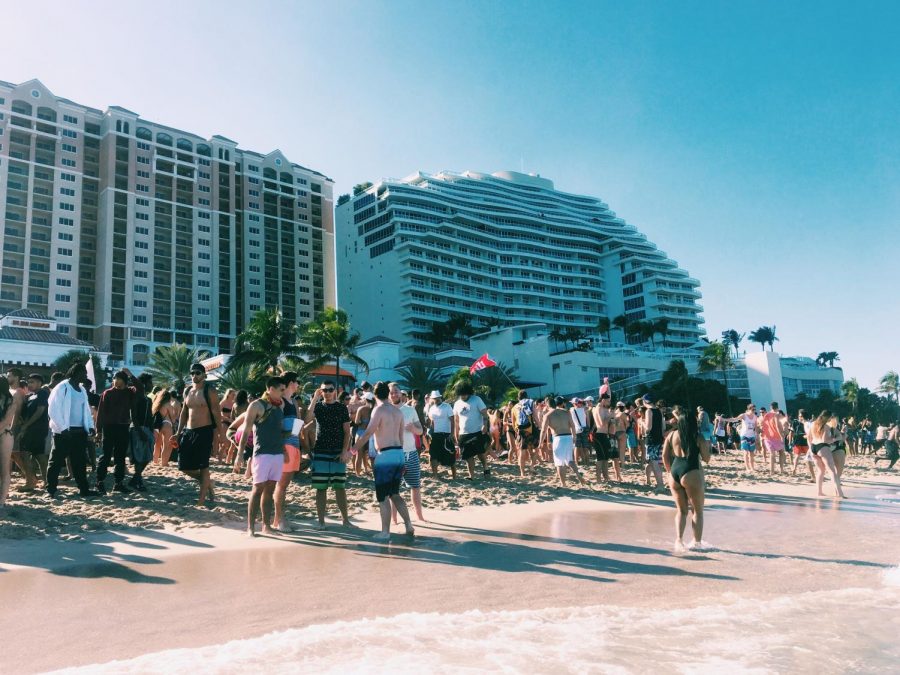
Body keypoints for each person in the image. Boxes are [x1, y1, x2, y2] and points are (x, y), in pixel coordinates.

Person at [351, 381, 414, 541]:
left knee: (383, 496)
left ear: (375, 395)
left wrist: (352, 450)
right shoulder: (398, 412)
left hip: (385, 456)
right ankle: (408, 524)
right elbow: (401, 438)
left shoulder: (378, 410)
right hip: (399, 453)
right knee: (395, 493)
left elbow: (367, 434)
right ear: (387, 394)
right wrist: (403, 460)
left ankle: (385, 532)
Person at [236, 377, 288, 537]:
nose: (283, 393)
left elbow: (279, 432)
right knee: (257, 489)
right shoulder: (256, 405)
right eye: (281, 389)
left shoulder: (281, 406)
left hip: (277, 453)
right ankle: (250, 528)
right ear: (271, 389)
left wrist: (290, 439)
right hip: (262, 454)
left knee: (270, 490)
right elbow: (246, 431)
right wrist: (239, 454)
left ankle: (266, 526)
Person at [45, 363, 99, 499]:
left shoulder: (81, 390)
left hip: (79, 432)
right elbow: (53, 409)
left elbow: (86, 411)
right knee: (55, 462)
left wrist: (90, 426)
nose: (86, 375)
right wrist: (62, 428)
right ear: (75, 373)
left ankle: (84, 490)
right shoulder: (62, 387)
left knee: (79, 463)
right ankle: (50, 490)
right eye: (83, 373)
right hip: (63, 432)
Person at [662, 405, 712, 552]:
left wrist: (669, 471)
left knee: (681, 511)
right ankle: (697, 544)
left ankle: (679, 541)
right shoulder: (698, 437)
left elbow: (665, 456)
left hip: (675, 473)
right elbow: (706, 458)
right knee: (697, 511)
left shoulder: (671, 435)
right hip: (691, 471)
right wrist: (706, 446)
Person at [304, 379, 351, 528]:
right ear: (321, 391)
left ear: (335, 391)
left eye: (330, 390)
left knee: (340, 487)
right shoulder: (317, 407)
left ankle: (345, 520)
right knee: (321, 488)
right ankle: (321, 521)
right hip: (321, 451)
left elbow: (347, 432)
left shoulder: (342, 408)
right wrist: (314, 400)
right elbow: (307, 420)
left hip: (338, 452)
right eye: (325, 390)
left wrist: (345, 451)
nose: (328, 393)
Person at [176, 363, 222, 506]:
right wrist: (178, 433)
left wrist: (219, 436)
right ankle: (208, 482)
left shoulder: (210, 391)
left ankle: (201, 501)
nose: (194, 376)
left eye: (197, 373)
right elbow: (184, 412)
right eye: (192, 373)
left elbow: (217, 414)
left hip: (205, 430)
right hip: (189, 431)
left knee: (204, 467)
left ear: (204, 375)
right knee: (183, 466)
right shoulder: (187, 390)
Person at [95, 369, 144, 493]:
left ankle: (118, 483)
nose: (116, 381)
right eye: (114, 379)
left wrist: (130, 374)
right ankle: (99, 482)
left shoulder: (130, 392)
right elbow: (100, 413)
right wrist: (98, 430)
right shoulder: (107, 393)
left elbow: (140, 387)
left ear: (125, 381)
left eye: (119, 379)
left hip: (123, 427)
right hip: (109, 427)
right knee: (105, 456)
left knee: (120, 457)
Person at [391, 382, 425, 521]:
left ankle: (420, 517)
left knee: (415, 486)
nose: (394, 394)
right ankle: (394, 520)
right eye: (391, 392)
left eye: (396, 391)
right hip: (393, 455)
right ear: (388, 395)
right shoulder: (385, 410)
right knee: (393, 490)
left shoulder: (410, 410)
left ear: (401, 393)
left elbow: (421, 430)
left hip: (411, 453)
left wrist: (413, 429)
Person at [273, 371, 301, 532]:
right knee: (281, 486)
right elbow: (277, 426)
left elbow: (297, 426)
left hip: (294, 445)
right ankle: (280, 519)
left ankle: (279, 518)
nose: (298, 385)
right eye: (297, 382)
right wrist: (283, 448)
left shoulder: (293, 402)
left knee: (284, 485)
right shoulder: (281, 401)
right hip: (285, 446)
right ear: (291, 382)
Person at [12, 374, 49, 491]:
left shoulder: (43, 393)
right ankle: (46, 481)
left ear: (39, 383)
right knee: (39, 455)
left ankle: (30, 482)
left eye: (32, 382)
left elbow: (40, 411)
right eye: (29, 382)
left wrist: (26, 425)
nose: (29, 384)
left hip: (36, 429)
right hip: (32, 429)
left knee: (25, 454)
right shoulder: (31, 395)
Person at [540, 397, 585, 487]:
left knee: (559, 463)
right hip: (568, 436)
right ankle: (578, 475)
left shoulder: (548, 415)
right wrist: (574, 436)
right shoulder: (566, 412)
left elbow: (544, 430)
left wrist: (540, 442)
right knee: (570, 460)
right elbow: (572, 425)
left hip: (558, 438)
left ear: (547, 404)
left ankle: (563, 483)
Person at [452, 381, 491, 480]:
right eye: (461, 394)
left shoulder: (477, 399)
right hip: (463, 434)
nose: (463, 396)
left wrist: (485, 425)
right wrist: (456, 433)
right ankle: (471, 476)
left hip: (477, 431)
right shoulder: (457, 404)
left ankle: (485, 467)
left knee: (480, 452)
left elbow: (484, 414)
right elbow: (456, 420)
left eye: (465, 394)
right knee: (467, 456)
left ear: (468, 392)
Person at [807, 409, 846, 499]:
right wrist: (836, 439)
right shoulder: (825, 426)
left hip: (813, 448)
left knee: (820, 471)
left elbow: (809, 437)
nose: (830, 420)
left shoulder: (813, 423)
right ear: (827, 417)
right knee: (832, 471)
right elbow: (825, 440)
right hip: (822, 447)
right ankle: (840, 494)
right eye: (829, 418)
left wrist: (810, 448)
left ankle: (819, 492)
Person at [128, 373, 156, 492]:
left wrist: (150, 431)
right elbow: (133, 416)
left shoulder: (148, 399)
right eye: (150, 382)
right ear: (144, 384)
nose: (152, 385)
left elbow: (149, 417)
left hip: (147, 430)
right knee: (139, 457)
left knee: (147, 457)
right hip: (137, 429)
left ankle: (135, 479)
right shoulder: (137, 397)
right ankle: (137, 480)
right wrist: (140, 431)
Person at [426, 390, 456, 479]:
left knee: (450, 455)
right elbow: (431, 422)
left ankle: (454, 476)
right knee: (434, 455)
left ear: (440, 397)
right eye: (435, 398)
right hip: (435, 435)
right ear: (432, 399)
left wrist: (452, 433)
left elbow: (452, 420)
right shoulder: (431, 409)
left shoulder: (447, 407)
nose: (436, 400)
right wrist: (429, 430)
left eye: (438, 398)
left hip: (446, 434)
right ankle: (435, 475)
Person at [591, 393, 620, 482]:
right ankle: (598, 478)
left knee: (605, 457)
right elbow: (601, 423)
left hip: (604, 434)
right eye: (608, 401)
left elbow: (611, 423)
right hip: (598, 434)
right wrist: (610, 416)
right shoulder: (598, 408)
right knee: (600, 458)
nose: (609, 403)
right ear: (603, 400)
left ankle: (606, 477)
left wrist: (614, 419)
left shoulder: (604, 409)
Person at [725, 404, 759, 472]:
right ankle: (747, 468)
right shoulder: (744, 415)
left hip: (751, 436)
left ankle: (752, 467)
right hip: (744, 435)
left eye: (755, 409)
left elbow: (756, 427)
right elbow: (734, 419)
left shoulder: (755, 417)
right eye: (753, 409)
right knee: (746, 452)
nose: (754, 411)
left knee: (752, 453)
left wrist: (757, 435)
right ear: (749, 409)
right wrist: (724, 419)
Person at [643, 395, 666, 493]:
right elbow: (663, 427)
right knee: (656, 463)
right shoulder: (659, 411)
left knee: (654, 463)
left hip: (651, 440)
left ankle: (660, 485)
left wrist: (641, 423)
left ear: (645, 402)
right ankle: (660, 484)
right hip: (659, 439)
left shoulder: (649, 411)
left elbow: (648, 428)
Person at [511, 390, 536, 476]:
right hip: (530, 430)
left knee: (522, 452)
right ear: (526, 396)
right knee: (533, 450)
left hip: (520, 431)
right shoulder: (530, 403)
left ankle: (522, 472)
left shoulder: (514, 407)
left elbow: (513, 422)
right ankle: (532, 467)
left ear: (518, 398)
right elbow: (535, 416)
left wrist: (516, 431)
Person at [760, 402, 788, 474]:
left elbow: (762, 425)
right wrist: (781, 436)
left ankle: (772, 471)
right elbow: (778, 426)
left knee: (772, 454)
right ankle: (781, 470)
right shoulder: (776, 415)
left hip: (767, 436)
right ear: (777, 407)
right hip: (776, 436)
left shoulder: (766, 415)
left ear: (770, 407)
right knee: (781, 452)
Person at [152, 390, 178, 465]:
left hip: (158, 425)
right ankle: (164, 462)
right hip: (167, 424)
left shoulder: (157, 404)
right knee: (167, 446)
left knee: (157, 445)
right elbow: (173, 419)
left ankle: (155, 461)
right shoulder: (168, 405)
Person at [789, 410, 815, 480]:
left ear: (804, 417)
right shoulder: (795, 422)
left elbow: (811, 433)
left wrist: (807, 436)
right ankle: (794, 469)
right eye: (799, 416)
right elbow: (791, 432)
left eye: (801, 416)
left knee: (808, 458)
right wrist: (790, 441)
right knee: (798, 456)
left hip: (807, 442)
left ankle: (811, 474)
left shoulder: (807, 423)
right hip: (798, 441)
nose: (799, 417)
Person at [570, 398, 591, 466]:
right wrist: (588, 428)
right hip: (584, 429)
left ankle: (576, 462)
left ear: (574, 403)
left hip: (576, 430)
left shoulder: (571, 410)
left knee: (577, 446)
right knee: (585, 447)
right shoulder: (585, 410)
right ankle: (587, 462)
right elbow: (588, 420)